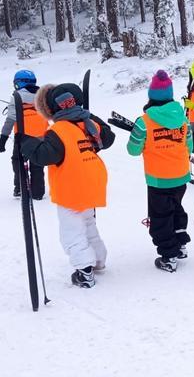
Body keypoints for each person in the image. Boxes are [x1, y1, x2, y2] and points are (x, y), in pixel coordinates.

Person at [20, 83, 115, 288]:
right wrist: (89, 115)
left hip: (72, 186)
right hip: (94, 180)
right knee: (88, 223)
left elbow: (44, 155)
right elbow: (108, 137)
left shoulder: (58, 130)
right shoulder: (88, 124)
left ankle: (84, 270)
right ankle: (98, 259)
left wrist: (25, 143)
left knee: (72, 230)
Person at [127, 70, 193, 273]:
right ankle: (180, 243)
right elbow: (189, 145)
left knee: (161, 216)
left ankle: (169, 255)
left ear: (151, 96)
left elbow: (132, 150)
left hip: (158, 179)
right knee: (176, 208)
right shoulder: (183, 118)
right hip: (181, 175)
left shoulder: (144, 122)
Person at [0, 70, 48, 199]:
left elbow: (10, 120)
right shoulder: (43, 95)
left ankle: (21, 188)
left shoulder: (16, 96)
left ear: (19, 83)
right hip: (41, 137)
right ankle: (37, 192)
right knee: (37, 165)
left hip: (23, 137)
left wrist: (3, 139)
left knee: (18, 162)